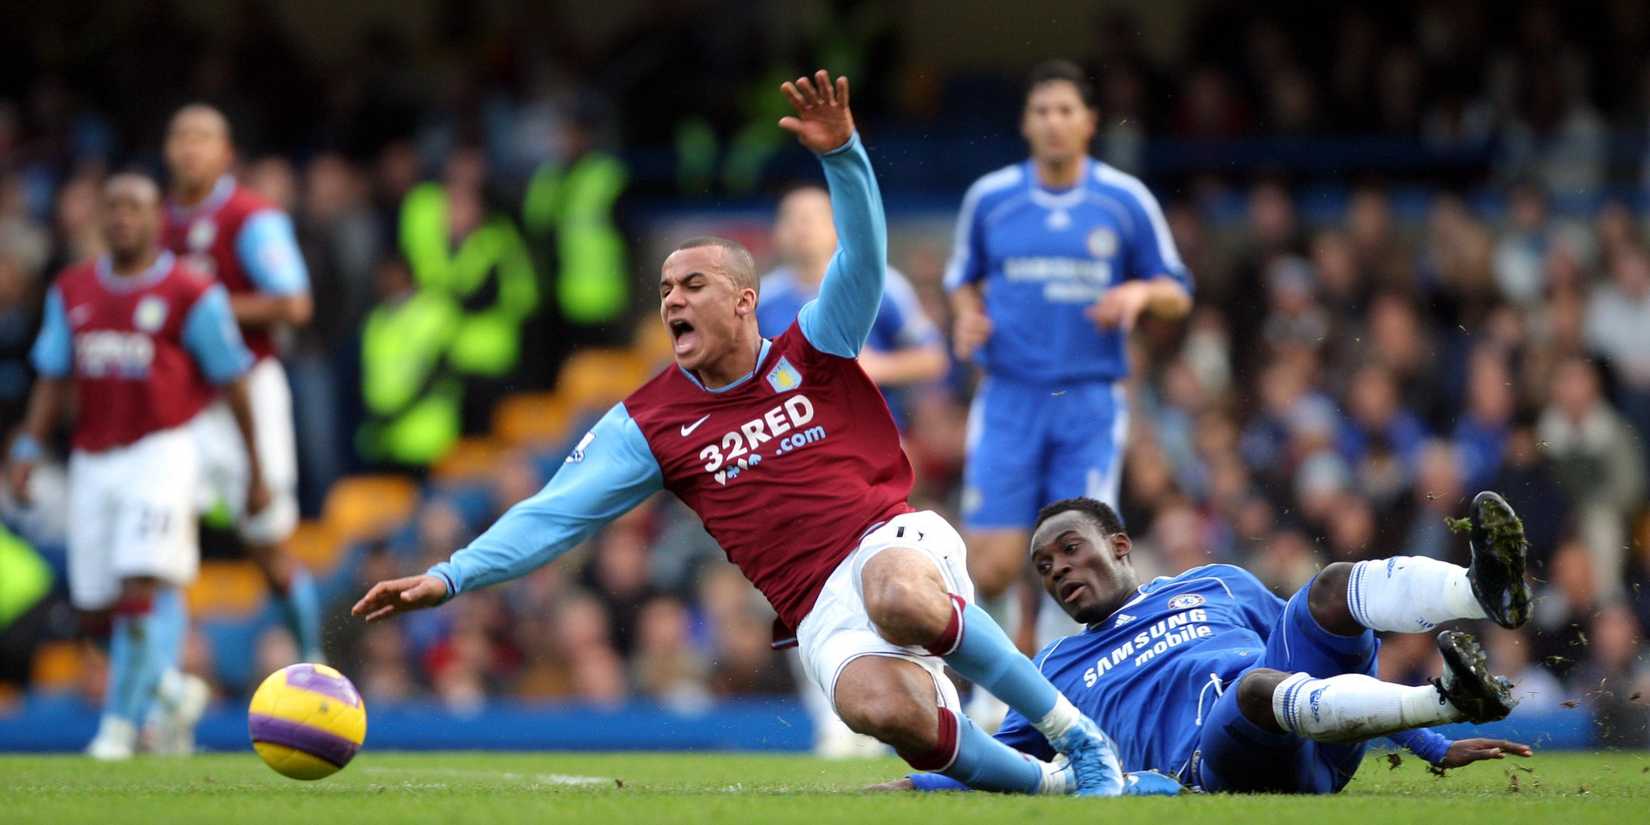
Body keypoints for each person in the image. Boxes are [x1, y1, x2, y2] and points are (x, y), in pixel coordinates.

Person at [354, 70, 1162, 797]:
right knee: (878, 710)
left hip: (893, 539)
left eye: (693, 284)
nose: (673, 300)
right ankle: (1052, 788)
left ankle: (1080, 737)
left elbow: (865, 262)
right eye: (666, 288)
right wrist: (450, 576)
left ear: (745, 300)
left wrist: (844, 155)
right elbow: (556, 513)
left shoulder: (814, 348)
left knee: (898, 593)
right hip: (814, 606)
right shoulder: (650, 421)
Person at [889, 491, 1535, 793]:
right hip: (1223, 756)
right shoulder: (1053, 665)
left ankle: (1484, 593)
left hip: (1323, 735)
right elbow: (1003, 763)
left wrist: (1431, 749)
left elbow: (1310, 643)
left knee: (1331, 588)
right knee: (1255, 688)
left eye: (1068, 547)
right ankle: (1446, 698)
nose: (1056, 568)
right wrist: (922, 785)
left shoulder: (1218, 582)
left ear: (1119, 546)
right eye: (1044, 565)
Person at [5, 173, 265, 759]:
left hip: (162, 451)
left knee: (138, 584)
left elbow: (233, 377)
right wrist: (27, 446)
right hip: (93, 458)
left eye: (135, 207)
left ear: (156, 220)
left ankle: (119, 728)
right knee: (95, 607)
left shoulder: (190, 292)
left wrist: (257, 467)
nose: (123, 216)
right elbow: (53, 374)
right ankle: (172, 690)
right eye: (113, 206)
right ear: (101, 218)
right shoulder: (70, 289)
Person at [945, 60, 1193, 652]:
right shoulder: (991, 199)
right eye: (1042, 111)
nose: (1054, 122)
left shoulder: (1124, 200)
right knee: (994, 566)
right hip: (1009, 395)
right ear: (1026, 123)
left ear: (1089, 123)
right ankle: (995, 695)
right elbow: (962, 279)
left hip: (1087, 400)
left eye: (1065, 111)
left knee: (1080, 560)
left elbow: (1178, 293)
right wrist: (964, 316)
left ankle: (1064, 690)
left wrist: (1140, 291)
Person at [162, 104, 323, 662]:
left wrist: (202, 306)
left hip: (247, 391)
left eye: (203, 138)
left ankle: (312, 658)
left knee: (268, 547)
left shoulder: (250, 217)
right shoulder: (152, 222)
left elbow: (295, 304)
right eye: (181, 137)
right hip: (177, 400)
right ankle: (164, 685)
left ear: (226, 154)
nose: (190, 148)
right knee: (158, 550)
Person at [757, 184, 947, 431]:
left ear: (837, 227)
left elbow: (933, 358)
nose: (802, 228)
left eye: (813, 218)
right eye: (791, 218)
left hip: (872, 434)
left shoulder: (879, 286)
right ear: (777, 232)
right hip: (794, 444)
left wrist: (879, 367)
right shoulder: (760, 301)